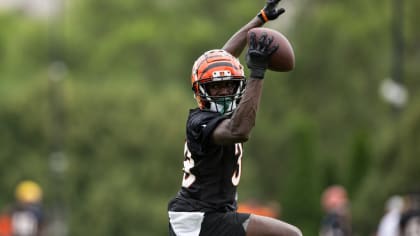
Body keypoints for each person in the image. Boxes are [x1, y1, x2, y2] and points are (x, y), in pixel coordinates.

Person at [167, 1, 302, 235]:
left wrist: (259, 19)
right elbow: (238, 131)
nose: (224, 92)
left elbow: (222, 58)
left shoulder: (218, 107)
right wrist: (257, 72)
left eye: (229, 86)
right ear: (201, 91)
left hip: (214, 215)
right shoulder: (200, 122)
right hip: (199, 219)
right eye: (216, 88)